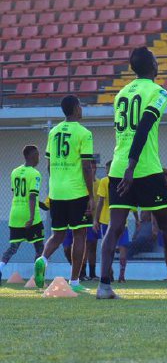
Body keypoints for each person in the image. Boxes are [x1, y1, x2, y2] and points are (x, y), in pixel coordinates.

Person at [96, 46, 167, 299]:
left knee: (114, 227)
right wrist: (133, 166)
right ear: (153, 66)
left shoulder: (121, 94)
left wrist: (125, 167)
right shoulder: (158, 92)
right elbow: (144, 126)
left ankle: (104, 286)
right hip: (144, 169)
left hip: (117, 169)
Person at [34, 95, 96, 292]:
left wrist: (54, 188)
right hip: (77, 191)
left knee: (57, 234)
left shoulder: (53, 132)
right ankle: (75, 282)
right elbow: (87, 167)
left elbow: (49, 164)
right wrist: (91, 195)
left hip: (57, 191)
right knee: (80, 234)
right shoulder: (84, 133)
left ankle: (43, 259)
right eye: (81, 106)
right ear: (77, 108)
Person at [0, 145, 45, 284]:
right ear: (31, 156)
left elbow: (18, 193)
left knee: (13, 248)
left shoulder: (15, 171)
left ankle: (0, 267)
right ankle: (37, 276)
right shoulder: (35, 174)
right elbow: (31, 196)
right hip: (30, 216)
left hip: (15, 214)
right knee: (39, 247)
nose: (39, 157)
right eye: (37, 154)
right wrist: (31, 217)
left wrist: (41, 204)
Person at [93, 160, 134, 283]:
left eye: (107, 169)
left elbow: (101, 201)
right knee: (123, 248)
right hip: (122, 220)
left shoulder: (105, 181)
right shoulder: (125, 180)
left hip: (106, 220)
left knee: (108, 247)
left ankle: (108, 272)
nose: (106, 171)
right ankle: (121, 276)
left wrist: (96, 219)